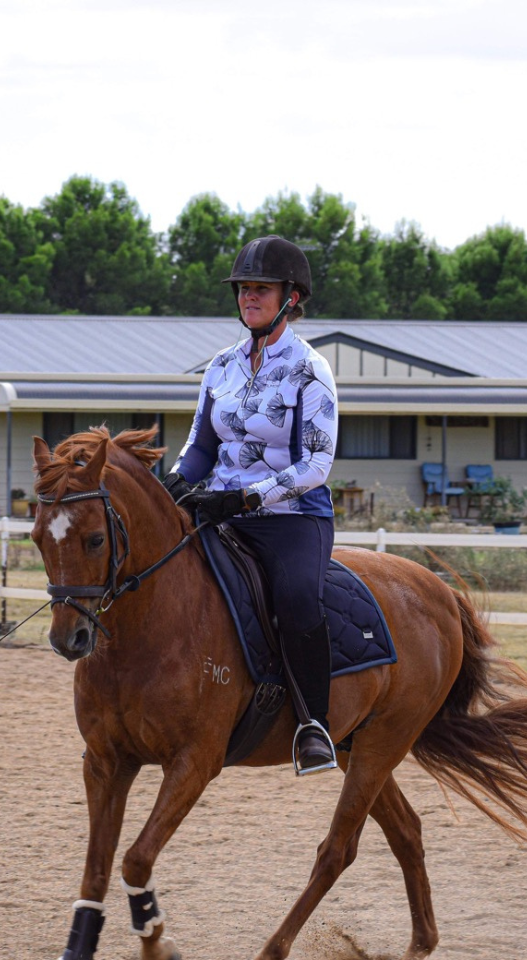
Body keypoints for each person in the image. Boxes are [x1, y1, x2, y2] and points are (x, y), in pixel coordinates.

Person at [164, 236, 339, 775]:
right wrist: (171, 486)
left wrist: (244, 496)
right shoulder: (219, 368)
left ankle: (314, 724)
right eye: (242, 289)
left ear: (291, 296)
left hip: (292, 519)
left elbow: (315, 465)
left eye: (260, 288)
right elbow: (200, 447)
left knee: (295, 599)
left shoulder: (311, 370)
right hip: (218, 510)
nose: (248, 297)